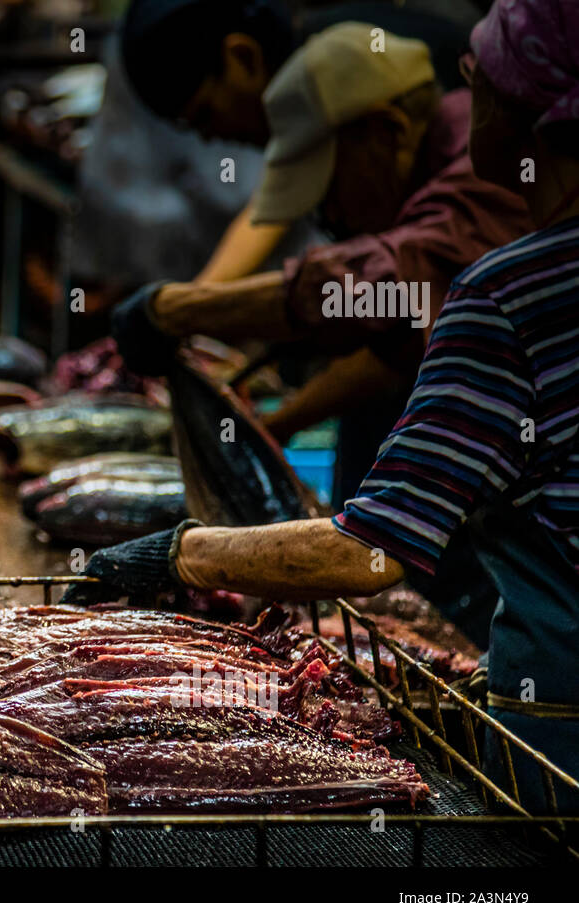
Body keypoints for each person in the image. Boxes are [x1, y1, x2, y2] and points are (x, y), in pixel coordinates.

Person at [69, 0, 579, 813]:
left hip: (560, 749)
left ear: (528, 115)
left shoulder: (507, 290)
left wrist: (177, 555)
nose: (464, 77)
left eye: (482, 75)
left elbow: (369, 552)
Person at [112, 22, 529, 507]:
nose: (329, 218)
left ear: (385, 131)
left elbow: (388, 286)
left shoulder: (485, 160)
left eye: (326, 191)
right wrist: (273, 427)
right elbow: (397, 348)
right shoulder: (426, 162)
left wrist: (175, 309)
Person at [119, 0, 480, 283]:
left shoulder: (351, 69)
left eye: (205, 116)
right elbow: (270, 207)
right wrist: (192, 300)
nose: (211, 138)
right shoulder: (315, 88)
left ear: (242, 57)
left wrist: (192, 309)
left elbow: (409, 285)